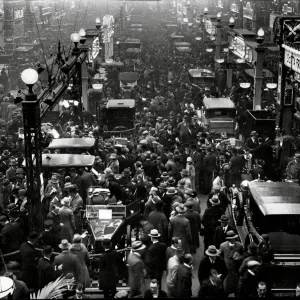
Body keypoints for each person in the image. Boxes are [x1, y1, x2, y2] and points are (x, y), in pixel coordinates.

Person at [219, 230, 244, 296]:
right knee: (226, 289)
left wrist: (239, 257)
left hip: (236, 270)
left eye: (234, 238)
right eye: (232, 238)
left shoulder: (240, 245)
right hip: (226, 271)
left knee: (236, 289)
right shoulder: (223, 246)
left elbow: (243, 255)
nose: (234, 239)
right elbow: (220, 256)